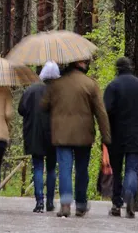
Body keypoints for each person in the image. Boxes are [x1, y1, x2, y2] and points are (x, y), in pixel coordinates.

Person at [42, 59, 111, 218]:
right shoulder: (90, 84)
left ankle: (65, 204)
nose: (86, 64)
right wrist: (106, 136)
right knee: (81, 169)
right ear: (79, 64)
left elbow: (44, 106)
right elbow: (101, 113)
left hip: (62, 134)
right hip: (84, 135)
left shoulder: (56, 85)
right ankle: (80, 204)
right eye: (84, 62)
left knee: (65, 168)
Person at [103, 56, 138, 219]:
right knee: (132, 169)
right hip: (136, 134)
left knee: (116, 170)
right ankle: (130, 193)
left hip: (116, 134)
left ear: (117, 69)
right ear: (130, 68)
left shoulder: (113, 86)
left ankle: (116, 204)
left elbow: (106, 111)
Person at [19, 61, 60, 212]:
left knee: (37, 167)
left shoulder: (30, 90)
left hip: (34, 134)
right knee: (51, 168)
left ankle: (39, 202)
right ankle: (50, 201)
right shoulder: (58, 92)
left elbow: (21, 109)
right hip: (54, 134)